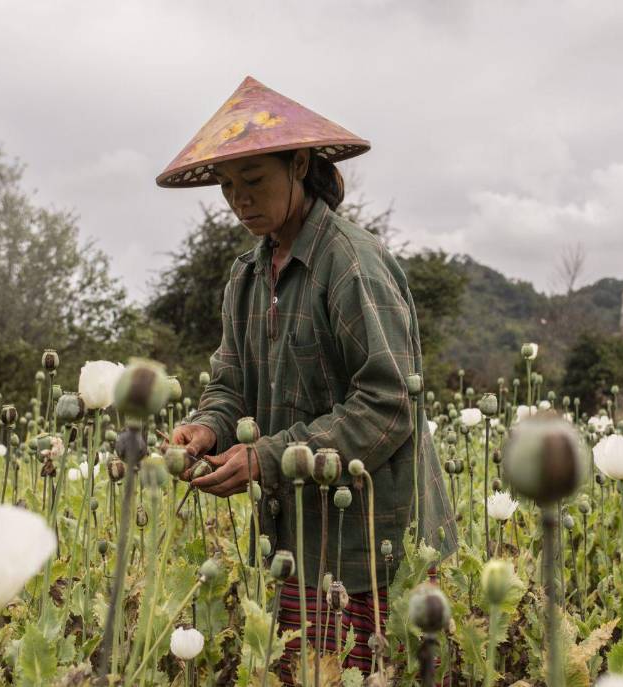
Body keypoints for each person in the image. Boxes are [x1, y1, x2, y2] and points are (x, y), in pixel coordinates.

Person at [159, 76, 456, 683]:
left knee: (363, 672)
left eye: (255, 180)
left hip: (371, 540)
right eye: (227, 186)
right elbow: (230, 384)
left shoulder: (350, 264)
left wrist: (266, 456)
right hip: (290, 533)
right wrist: (207, 430)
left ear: (299, 164)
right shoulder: (245, 277)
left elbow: (389, 403)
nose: (239, 199)